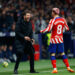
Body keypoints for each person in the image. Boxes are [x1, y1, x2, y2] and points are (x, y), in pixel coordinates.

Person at [39, 8, 74, 73]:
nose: (51, 13)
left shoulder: (52, 20)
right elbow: (67, 28)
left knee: (52, 54)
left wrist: (40, 31)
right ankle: (68, 67)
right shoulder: (63, 19)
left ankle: (55, 69)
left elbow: (48, 29)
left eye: (52, 12)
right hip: (60, 39)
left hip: (53, 40)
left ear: (53, 12)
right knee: (62, 53)